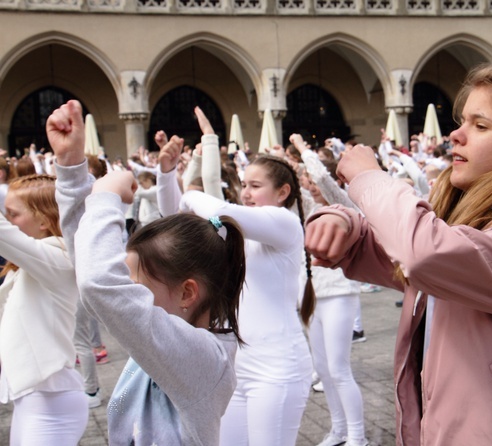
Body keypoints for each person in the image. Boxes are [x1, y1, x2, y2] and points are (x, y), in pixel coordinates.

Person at [304, 64, 492, 444]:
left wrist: (369, 178)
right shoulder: (472, 222)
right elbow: (399, 255)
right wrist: (343, 225)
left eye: (480, 125)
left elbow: (423, 252)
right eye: (461, 122)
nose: (455, 135)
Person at [47, 100, 245, 445]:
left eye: (137, 280)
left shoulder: (206, 359)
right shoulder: (166, 337)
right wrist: (70, 167)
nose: (127, 287)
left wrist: (106, 197)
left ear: (186, 293)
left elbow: (100, 285)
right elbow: (91, 270)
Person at [156, 107, 314, 446]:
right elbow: (174, 220)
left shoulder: (284, 223)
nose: (245, 193)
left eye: (255, 186)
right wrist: (167, 174)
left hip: (279, 367)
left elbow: (218, 210)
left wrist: (189, 188)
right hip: (236, 367)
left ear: (283, 192)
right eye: (244, 185)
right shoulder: (237, 232)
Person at [290, 133, 368, 446]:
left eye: (312, 180)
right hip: (311, 296)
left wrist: (302, 149)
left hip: (339, 294)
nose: (310, 185)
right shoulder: (309, 209)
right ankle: (338, 429)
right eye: (306, 181)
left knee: (338, 368)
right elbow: (297, 192)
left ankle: (358, 436)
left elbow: (323, 178)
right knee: (321, 368)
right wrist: (294, 169)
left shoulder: (346, 204)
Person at [0, 174, 88, 444]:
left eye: (12, 214)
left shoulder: (59, 258)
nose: (8, 221)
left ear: (43, 220)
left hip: (51, 403)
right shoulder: (36, 263)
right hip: (34, 400)